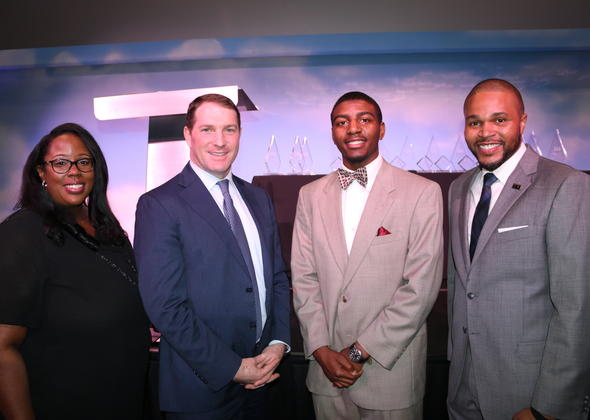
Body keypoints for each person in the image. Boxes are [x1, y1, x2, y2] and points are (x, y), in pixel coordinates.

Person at [134, 94, 290, 420]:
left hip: (264, 381)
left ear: (240, 134)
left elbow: (276, 278)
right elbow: (165, 306)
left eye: (229, 129)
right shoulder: (159, 205)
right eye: (207, 129)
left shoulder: (259, 198)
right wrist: (233, 367)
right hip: (201, 390)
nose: (220, 141)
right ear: (188, 134)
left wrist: (278, 342)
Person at [291, 91, 444, 420]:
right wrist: (320, 349)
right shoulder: (309, 196)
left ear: (382, 129)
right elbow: (304, 279)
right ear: (333, 132)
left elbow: (420, 289)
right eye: (341, 122)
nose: (353, 129)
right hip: (326, 374)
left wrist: (359, 352)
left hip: (390, 374)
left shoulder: (422, 192)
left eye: (365, 119)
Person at [447, 78, 590, 419]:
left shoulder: (565, 185)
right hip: (463, 386)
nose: (486, 132)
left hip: (528, 389)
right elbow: (460, 284)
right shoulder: (458, 188)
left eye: (499, 120)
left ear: (522, 122)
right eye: (474, 122)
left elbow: (577, 307)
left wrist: (548, 407)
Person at [0, 123, 150, 420]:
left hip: (122, 402)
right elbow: (3, 348)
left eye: (83, 162)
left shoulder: (109, 230)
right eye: (60, 163)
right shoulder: (22, 233)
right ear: (41, 173)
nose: (74, 172)